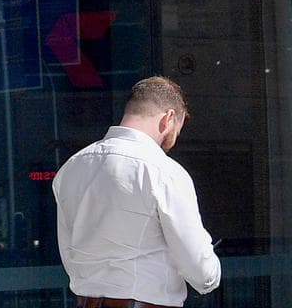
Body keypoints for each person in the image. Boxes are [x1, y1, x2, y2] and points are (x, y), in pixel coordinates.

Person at [52, 76, 220, 308]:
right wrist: (211, 275)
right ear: (168, 118)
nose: (172, 141)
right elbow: (196, 263)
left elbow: (69, 251)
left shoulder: (72, 167)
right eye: (176, 131)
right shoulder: (164, 171)